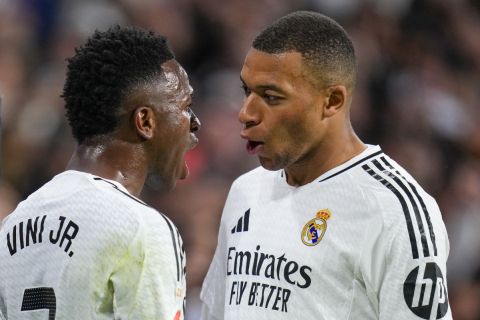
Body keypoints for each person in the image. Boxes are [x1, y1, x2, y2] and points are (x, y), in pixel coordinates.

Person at [200, 11, 452, 320]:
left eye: (271, 96)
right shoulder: (245, 192)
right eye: (247, 91)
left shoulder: (394, 211)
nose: (245, 112)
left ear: (332, 100)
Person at [0, 25, 200, 320]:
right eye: (185, 107)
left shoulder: (14, 222)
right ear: (145, 121)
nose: (195, 123)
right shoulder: (142, 228)